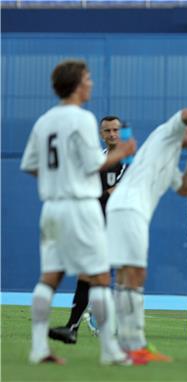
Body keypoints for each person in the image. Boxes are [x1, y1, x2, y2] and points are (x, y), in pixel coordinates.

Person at [21, 60, 137, 365]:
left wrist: (58, 182)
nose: (91, 83)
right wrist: (123, 153)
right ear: (77, 84)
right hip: (81, 207)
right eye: (87, 79)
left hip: (52, 207)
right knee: (99, 277)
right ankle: (110, 350)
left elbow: (30, 165)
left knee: (49, 278)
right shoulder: (82, 119)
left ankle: (38, 348)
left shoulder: (45, 120)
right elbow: (91, 166)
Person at [107, 107, 187, 361]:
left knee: (127, 277)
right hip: (129, 208)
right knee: (133, 275)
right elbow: (185, 112)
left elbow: (184, 189)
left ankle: (123, 346)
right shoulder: (167, 134)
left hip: (127, 210)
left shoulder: (174, 156)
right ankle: (131, 344)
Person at [48, 115, 128, 344]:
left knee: (108, 276)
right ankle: (77, 326)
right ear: (101, 134)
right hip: (95, 225)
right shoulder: (99, 159)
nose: (112, 134)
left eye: (116, 130)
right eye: (107, 131)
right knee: (91, 275)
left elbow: (117, 192)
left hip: (117, 226)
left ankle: (101, 324)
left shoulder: (128, 159)